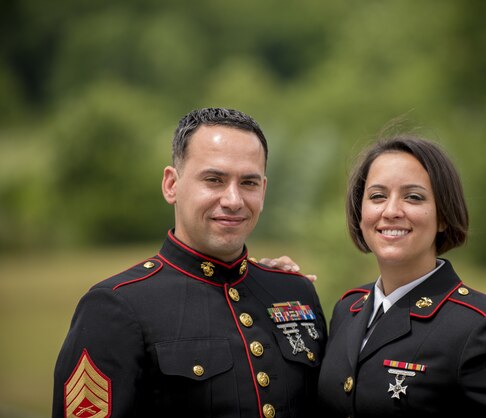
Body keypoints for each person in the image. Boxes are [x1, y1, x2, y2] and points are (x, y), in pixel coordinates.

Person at [52, 107, 327, 418]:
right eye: (214, 179)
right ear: (172, 185)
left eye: (248, 183)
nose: (233, 200)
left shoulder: (294, 292)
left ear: (263, 189)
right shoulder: (115, 308)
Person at [316, 135, 486, 417]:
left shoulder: (478, 329)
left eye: (413, 197)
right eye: (377, 196)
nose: (392, 210)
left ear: (443, 216)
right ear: (361, 213)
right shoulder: (348, 309)